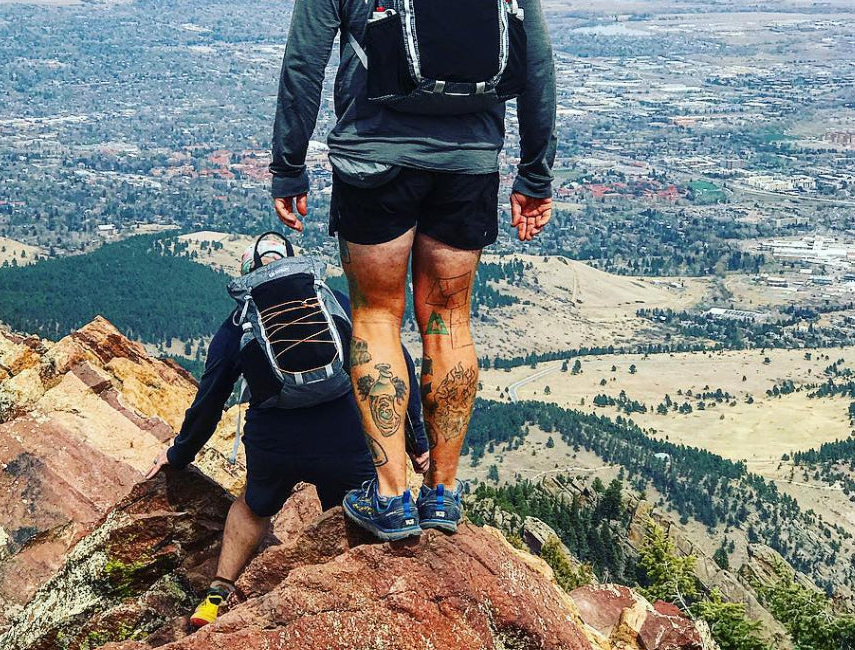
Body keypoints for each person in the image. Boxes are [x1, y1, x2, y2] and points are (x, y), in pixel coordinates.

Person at [269, 0, 557, 540]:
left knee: (377, 317)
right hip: (470, 163)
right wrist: (534, 174)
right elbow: (537, 64)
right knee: (449, 319)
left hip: (373, 162)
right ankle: (442, 493)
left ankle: (392, 495)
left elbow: (302, 66)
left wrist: (288, 166)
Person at [146, 236, 429, 627]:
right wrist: (418, 440)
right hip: (345, 436)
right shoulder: (332, 303)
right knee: (348, 513)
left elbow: (210, 401)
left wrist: (179, 455)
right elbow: (396, 362)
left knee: (252, 507)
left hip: (274, 443)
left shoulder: (239, 323)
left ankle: (216, 595)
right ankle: (347, 605)